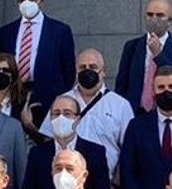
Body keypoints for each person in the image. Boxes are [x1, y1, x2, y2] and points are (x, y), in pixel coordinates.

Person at [51, 47, 134, 176]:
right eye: (82, 67)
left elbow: (130, 150)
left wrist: (117, 184)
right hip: (65, 180)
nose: (87, 71)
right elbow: (49, 140)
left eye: (93, 67)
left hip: (105, 182)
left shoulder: (120, 105)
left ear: (103, 71)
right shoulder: (61, 102)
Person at [0, 0, 77, 113]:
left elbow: (68, 70)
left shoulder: (60, 31)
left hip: (49, 99)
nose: (27, 2)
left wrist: (59, 95)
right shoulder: (6, 31)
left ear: (41, 0)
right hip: (14, 97)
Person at [21, 94, 111, 189]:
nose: (61, 118)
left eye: (67, 113)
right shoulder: (37, 153)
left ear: (77, 120)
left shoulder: (95, 152)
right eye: (56, 113)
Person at [114, 0, 172, 111]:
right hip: (135, 112)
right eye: (150, 15)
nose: (154, 19)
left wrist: (158, 55)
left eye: (160, 15)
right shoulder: (132, 46)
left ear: (170, 21)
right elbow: (122, 84)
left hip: (164, 111)